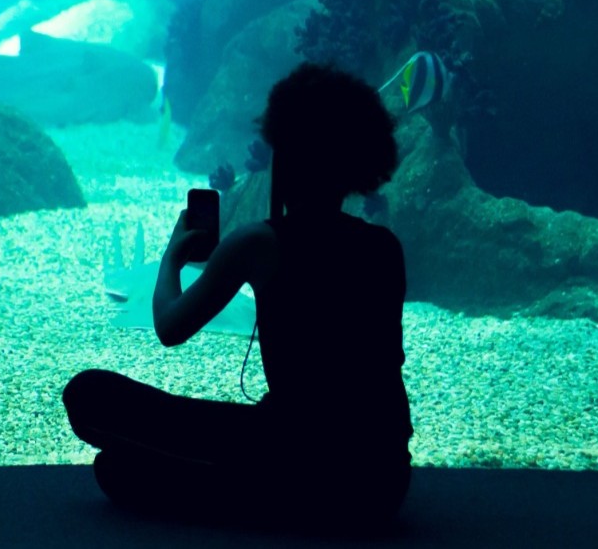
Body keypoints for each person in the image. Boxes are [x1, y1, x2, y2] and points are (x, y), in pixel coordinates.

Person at [63, 61, 413, 533]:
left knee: (90, 400)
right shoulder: (383, 248)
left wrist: (172, 257)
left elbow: (169, 326)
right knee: (129, 468)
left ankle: (252, 498)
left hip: (294, 460)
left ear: (284, 156)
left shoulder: (259, 243)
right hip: (382, 481)